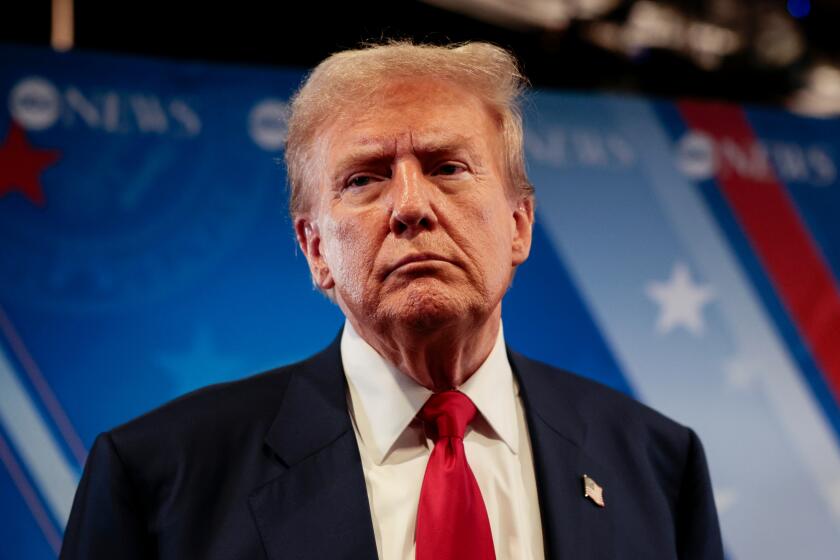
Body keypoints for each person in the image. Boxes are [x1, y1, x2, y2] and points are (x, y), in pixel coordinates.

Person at [60, 41, 724, 560]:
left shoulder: (656, 465)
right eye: (366, 178)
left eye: (447, 167)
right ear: (316, 249)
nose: (410, 206)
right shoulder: (160, 478)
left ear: (519, 225)